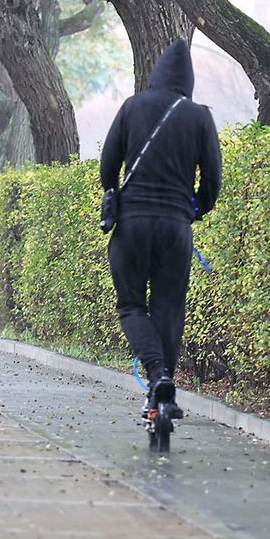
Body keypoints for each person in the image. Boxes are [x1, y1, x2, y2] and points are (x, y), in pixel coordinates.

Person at [99, 39, 222, 426]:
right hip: (175, 227)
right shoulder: (200, 117)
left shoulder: (132, 107)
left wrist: (113, 194)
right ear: (188, 81)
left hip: (132, 224)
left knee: (132, 305)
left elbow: (108, 164)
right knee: (169, 307)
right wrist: (195, 208)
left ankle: (157, 376)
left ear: (154, 75)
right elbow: (213, 181)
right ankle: (164, 392)